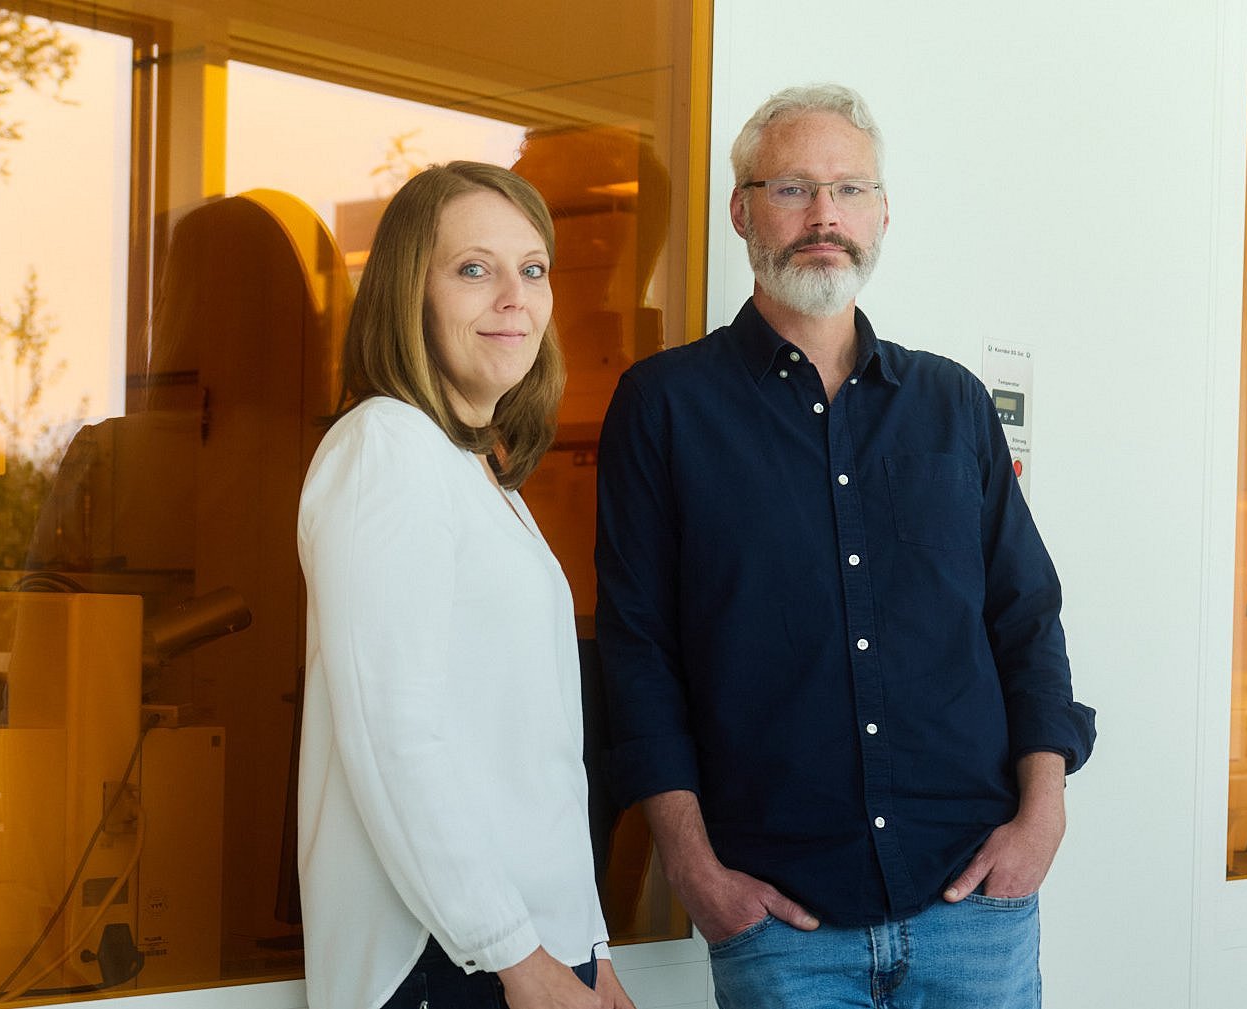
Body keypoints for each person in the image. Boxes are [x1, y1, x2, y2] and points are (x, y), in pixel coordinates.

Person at [594, 84, 1097, 1009]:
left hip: (976, 906)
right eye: (792, 188)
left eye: (849, 189)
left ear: (883, 213)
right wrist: (694, 869)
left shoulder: (951, 403)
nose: (824, 215)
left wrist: (1042, 817)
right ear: (741, 210)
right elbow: (638, 651)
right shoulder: (664, 407)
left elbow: (1024, 618)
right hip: (781, 921)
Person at [297, 161, 635, 1009]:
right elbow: (395, 739)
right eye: (473, 269)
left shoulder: (483, 475)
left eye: (532, 269)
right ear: (410, 293)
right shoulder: (386, 448)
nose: (514, 296)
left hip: (523, 951)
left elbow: (539, 761)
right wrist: (515, 955)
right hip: (448, 961)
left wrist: (591, 951)